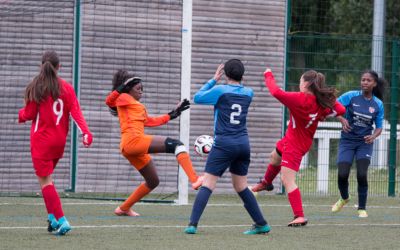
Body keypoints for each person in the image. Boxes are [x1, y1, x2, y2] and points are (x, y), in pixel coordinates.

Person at [184, 59, 270, 235]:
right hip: (243, 144)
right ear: (242, 74)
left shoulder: (220, 90)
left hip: (224, 143)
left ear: (226, 74)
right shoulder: (249, 93)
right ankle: (261, 224)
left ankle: (192, 224)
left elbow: (198, 98)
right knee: (241, 186)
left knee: (207, 184)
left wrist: (214, 79)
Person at [251, 68, 345, 226]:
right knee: (274, 157)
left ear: (306, 84)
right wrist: (326, 113)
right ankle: (266, 183)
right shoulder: (322, 101)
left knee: (287, 180)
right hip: (297, 140)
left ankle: (299, 216)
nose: (299, 84)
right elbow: (341, 109)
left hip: (294, 145)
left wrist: (268, 74)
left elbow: (275, 92)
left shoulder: (299, 99)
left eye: (301, 81)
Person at [105, 69, 203, 216]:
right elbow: (109, 101)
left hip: (131, 147)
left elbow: (149, 121)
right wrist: (123, 86)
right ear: (128, 89)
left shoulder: (134, 104)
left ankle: (123, 208)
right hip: (133, 141)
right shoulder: (123, 97)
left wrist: (172, 114)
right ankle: (195, 180)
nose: (141, 92)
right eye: (138, 88)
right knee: (177, 145)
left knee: (153, 181)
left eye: (142, 89)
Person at [18, 50, 93, 236]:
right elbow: (76, 113)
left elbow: (28, 114)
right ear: (59, 67)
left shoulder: (37, 87)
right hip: (59, 143)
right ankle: (52, 219)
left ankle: (61, 220)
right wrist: (86, 132)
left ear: (41, 65)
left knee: (45, 182)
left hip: (41, 142)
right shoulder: (67, 88)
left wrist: (20, 115)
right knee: (47, 180)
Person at [331, 70, 385, 218]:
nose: (365, 82)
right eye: (363, 80)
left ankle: (362, 208)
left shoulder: (378, 104)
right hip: (347, 141)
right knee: (342, 174)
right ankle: (344, 198)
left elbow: (379, 127)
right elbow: (333, 106)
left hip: (364, 143)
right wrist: (341, 119)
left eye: (368, 80)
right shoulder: (350, 96)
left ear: (374, 84)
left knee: (362, 174)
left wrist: (373, 136)